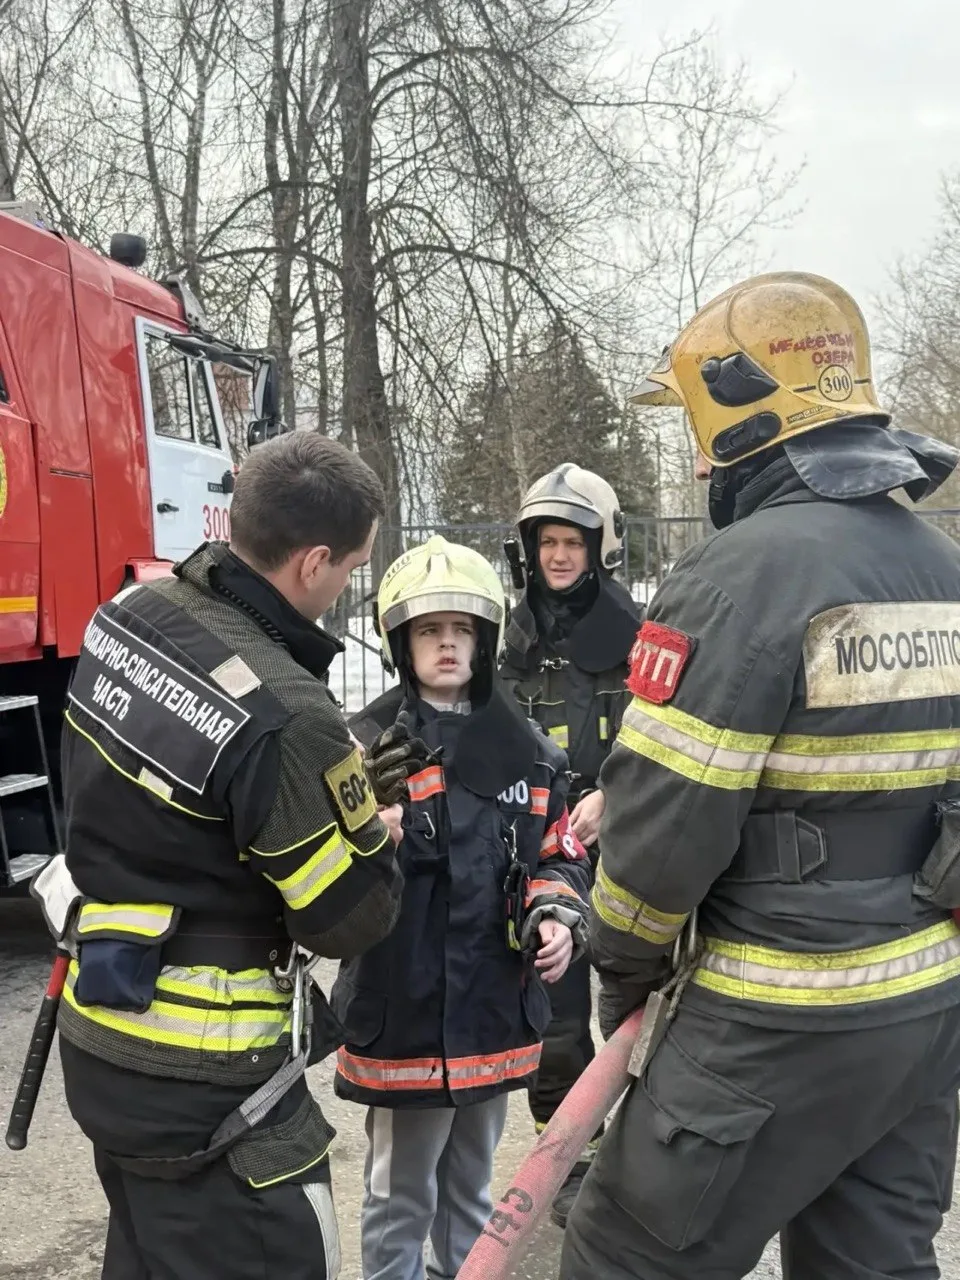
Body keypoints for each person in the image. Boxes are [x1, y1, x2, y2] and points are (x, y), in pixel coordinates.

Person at [560, 271, 960, 1280]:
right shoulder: (947, 570)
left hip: (772, 1014)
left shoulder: (741, 572)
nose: (698, 455)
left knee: (625, 1254)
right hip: (922, 1022)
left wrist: (622, 964)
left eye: (699, 424)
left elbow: (661, 830)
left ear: (746, 416)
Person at [37, 432, 416, 1280]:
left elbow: (182, 809)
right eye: (353, 566)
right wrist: (370, 827)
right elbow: (348, 916)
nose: (348, 582)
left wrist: (324, 775)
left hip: (101, 1037)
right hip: (213, 1090)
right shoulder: (288, 711)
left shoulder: (128, 616)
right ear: (314, 562)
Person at [332, 535, 591, 1280]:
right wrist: (363, 830)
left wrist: (557, 919)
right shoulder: (360, 747)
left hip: (490, 1013)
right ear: (398, 641)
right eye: (428, 631)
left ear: (483, 640)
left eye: (460, 631)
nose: (446, 645)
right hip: (402, 1012)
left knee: (471, 1194)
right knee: (398, 1196)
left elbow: (560, 854)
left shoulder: (533, 753)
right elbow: (315, 876)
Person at [498, 464, 642, 1226]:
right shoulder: (507, 634)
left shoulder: (643, 636)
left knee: (638, 1013)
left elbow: (678, 737)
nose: (558, 556)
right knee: (552, 1018)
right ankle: (574, 1161)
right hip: (537, 848)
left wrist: (616, 796)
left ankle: (644, 1161)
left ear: (600, 546)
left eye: (571, 542)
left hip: (626, 852)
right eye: (547, 542)